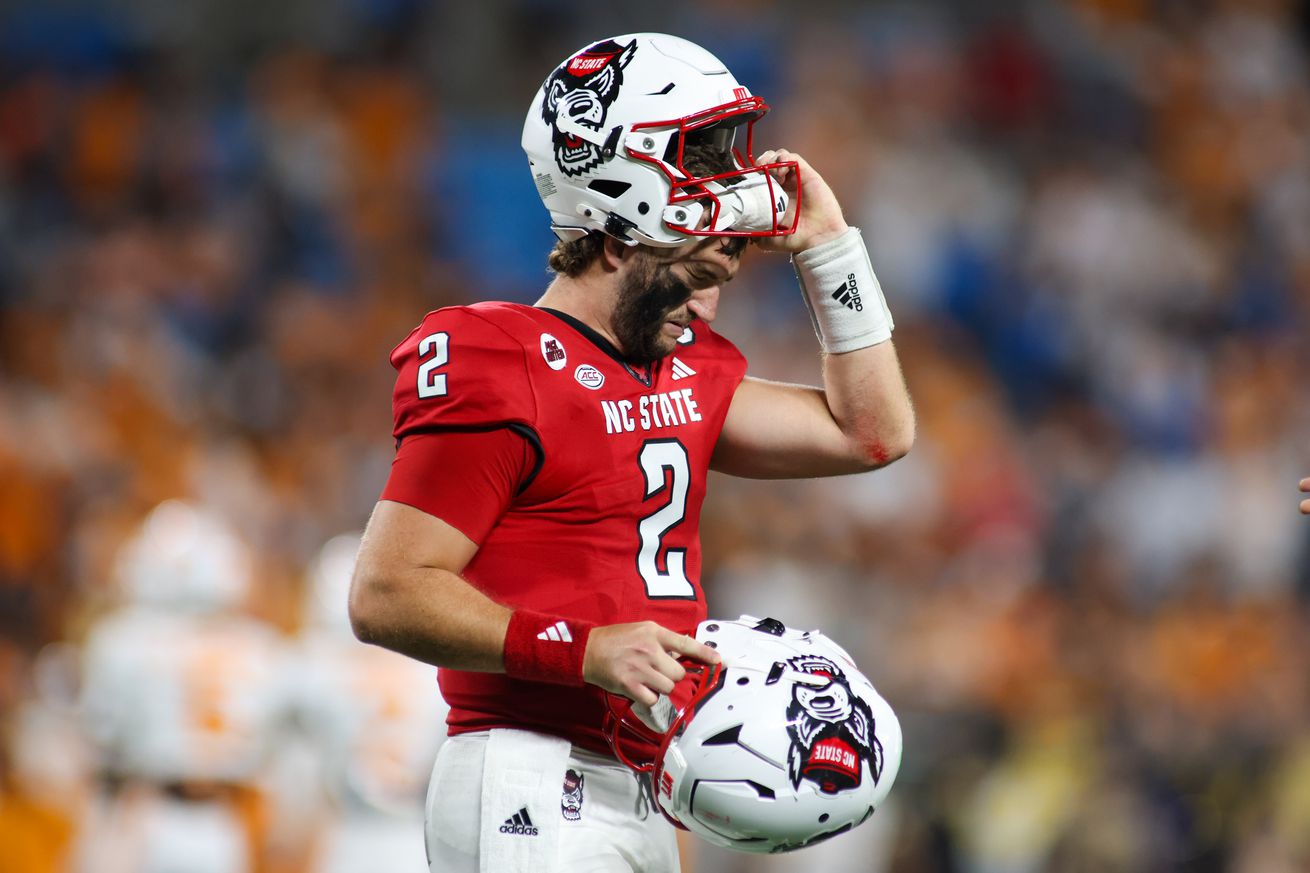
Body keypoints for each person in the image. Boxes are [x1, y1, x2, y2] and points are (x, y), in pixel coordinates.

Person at [348, 32, 915, 873]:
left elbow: (872, 432)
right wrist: (582, 650)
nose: (712, 305)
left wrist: (831, 247)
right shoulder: (500, 357)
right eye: (694, 274)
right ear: (617, 238)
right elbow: (387, 592)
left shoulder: (679, 369)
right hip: (528, 767)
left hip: (638, 780)